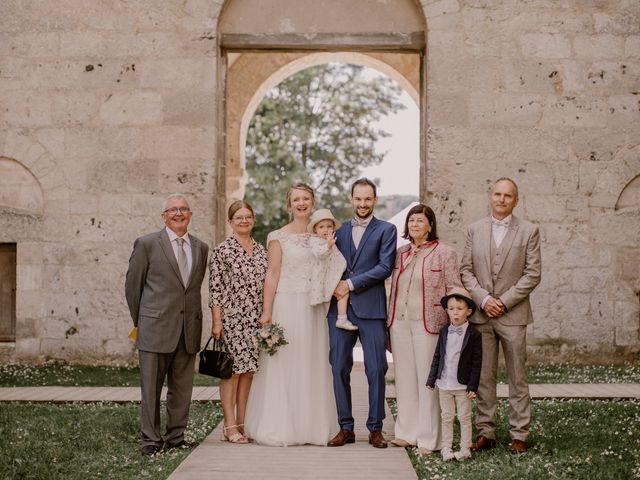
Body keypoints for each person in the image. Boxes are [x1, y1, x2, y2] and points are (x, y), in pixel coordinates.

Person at [244, 183, 338, 446]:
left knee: (312, 362)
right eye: (296, 199)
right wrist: (266, 311)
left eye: (306, 198)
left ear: (312, 201)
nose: (301, 203)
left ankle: (312, 426)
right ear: (289, 205)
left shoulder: (321, 235)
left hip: (313, 307)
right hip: (286, 303)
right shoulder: (278, 236)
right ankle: (281, 425)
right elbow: (272, 274)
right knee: (284, 363)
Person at [460, 177, 541, 454]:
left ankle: (519, 434)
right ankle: (487, 431)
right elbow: (466, 271)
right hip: (482, 316)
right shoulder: (474, 229)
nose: (502, 199)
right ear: (490, 197)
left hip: (513, 315)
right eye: (497, 194)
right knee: (484, 377)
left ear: (515, 200)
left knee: (518, 377)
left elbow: (533, 274)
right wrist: (483, 299)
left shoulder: (529, 230)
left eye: (508, 195)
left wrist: (503, 302)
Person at [125, 193, 209, 456]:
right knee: (151, 388)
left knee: (182, 389)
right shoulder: (147, 244)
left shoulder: (201, 248)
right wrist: (143, 320)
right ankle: (150, 438)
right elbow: (132, 287)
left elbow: (190, 290)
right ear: (164, 216)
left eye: (183, 209)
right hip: (154, 328)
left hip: (188, 330)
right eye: (173, 210)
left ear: (190, 214)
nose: (179, 213)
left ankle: (176, 436)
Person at [386, 203, 463, 455]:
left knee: (426, 381)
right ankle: (406, 433)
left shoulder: (445, 253)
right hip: (399, 322)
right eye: (411, 221)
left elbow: (454, 287)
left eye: (420, 220)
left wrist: (457, 321)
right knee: (405, 379)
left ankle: (429, 439)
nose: (415, 224)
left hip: (428, 324)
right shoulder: (400, 254)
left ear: (430, 225)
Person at [327, 178, 397, 449]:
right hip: (340, 310)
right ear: (351, 199)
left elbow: (384, 267)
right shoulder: (339, 231)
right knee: (338, 367)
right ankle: (345, 427)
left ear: (375, 200)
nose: (363, 204)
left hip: (371, 308)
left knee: (377, 368)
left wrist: (351, 283)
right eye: (358, 199)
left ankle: (375, 428)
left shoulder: (386, 230)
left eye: (368, 199)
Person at [209, 200, 268, 444]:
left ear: (253, 219)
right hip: (232, 320)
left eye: (248, 216)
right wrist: (216, 322)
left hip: (255, 321)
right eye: (239, 217)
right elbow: (215, 290)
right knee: (231, 373)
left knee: (248, 373)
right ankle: (229, 424)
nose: (244, 220)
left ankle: (243, 422)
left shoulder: (262, 250)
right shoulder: (222, 251)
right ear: (231, 221)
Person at [426, 287, 482, 462]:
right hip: (444, 383)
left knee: (464, 417)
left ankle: (465, 447)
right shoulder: (444, 331)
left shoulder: (474, 334)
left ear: (468, 311)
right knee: (447, 417)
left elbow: (476, 363)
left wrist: (473, 385)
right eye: (451, 309)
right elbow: (437, 356)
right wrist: (431, 379)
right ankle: (447, 447)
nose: (455, 313)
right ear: (447, 311)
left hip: (463, 385)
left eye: (459, 309)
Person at [307, 208, 356, 331]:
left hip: (335, 273)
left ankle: (341, 318)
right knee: (342, 294)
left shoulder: (331, 238)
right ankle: (342, 319)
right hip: (326, 276)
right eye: (321, 227)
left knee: (342, 293)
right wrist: (328, 245)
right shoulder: (315, 241)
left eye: (329, 226)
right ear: (315, 229)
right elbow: (319, 254)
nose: (326, 230)